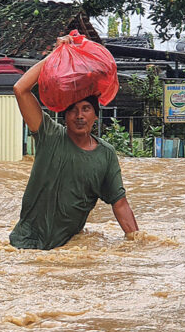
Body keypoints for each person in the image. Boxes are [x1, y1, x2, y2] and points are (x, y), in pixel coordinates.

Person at [9, 37, 139, 250]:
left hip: (67, 248)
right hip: (24, 243)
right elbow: (20, 89)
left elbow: (120, 203)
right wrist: (56, 55)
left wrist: (138, 243)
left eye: (86, 109)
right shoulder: (49, 135)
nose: (79, 116)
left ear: (95, 116)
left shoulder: (105, 155)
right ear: (64, 115)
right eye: (73, 110)